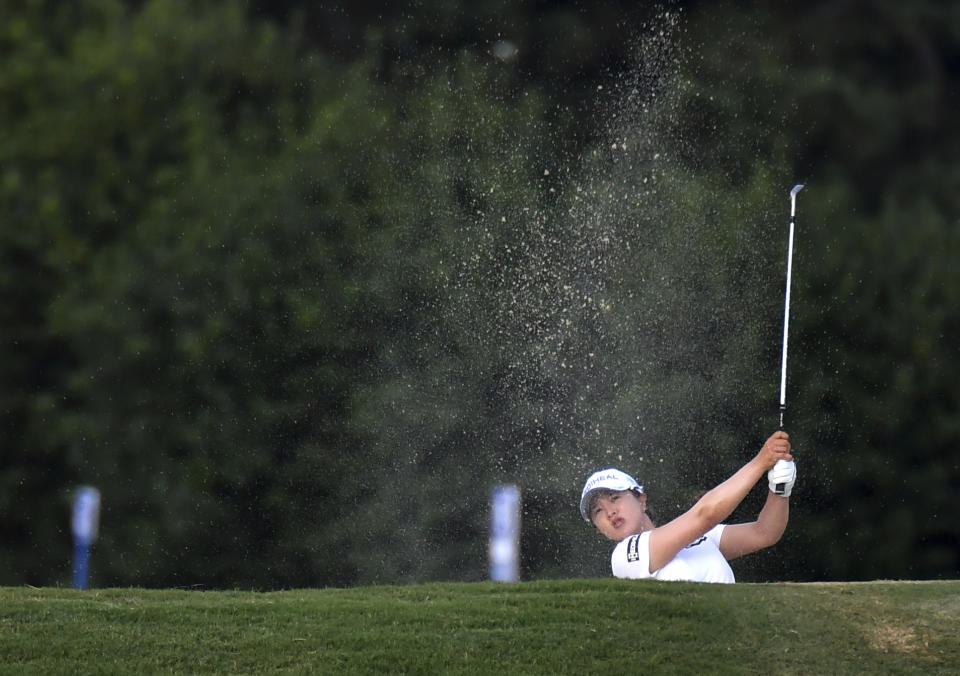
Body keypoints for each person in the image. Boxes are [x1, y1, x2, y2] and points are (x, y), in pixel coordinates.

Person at [580, 430, 796, 583]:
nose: (610, 512)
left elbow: (765, 533)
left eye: (615, 498)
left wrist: (780, 490)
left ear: (641, 500)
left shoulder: (699, 537)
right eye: (598, 511)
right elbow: (705, 515)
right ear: (599, 529)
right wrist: (761, 461)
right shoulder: (625, 556)